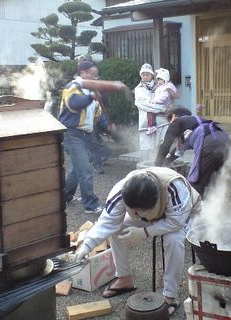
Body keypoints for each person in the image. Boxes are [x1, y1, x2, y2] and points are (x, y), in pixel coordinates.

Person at [74, 167, 200, 316]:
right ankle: (124, 278)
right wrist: (87, 245)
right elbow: (107, 222)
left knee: (174, 239)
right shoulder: (121, 190)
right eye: (132, 210)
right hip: (156, 216)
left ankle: (170, 297)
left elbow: (177, 222)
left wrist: (143, 232)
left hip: (184, 214)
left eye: (139, 211)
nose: (135, 214)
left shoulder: (175, 187)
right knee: (118, 226)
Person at [58, 59, 113, 214]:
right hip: (72, 134)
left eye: (96, 75)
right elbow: (74, 104)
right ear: (82, 73)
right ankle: (91, 205)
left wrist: (108, 127)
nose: (95, 78)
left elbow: (98, 117)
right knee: (85, 169)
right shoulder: (73, 87)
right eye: (92, 74)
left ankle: (65, 196)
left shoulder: (91, 92)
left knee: (78, 168)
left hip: (85, 135)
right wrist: (91, 98)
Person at [155, 106, 231, 196]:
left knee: (196, 183)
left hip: (210, 144)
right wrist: (165, 163)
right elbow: (177, 151)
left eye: (169, 121)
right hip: (226, 142)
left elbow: (165, 145)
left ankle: (195, 208)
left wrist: (156, 167)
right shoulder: (195, 123)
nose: (169, 124)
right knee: (224, 179)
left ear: (174, 116)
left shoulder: (177, 121)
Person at [134, 63, 169, 153]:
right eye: (143, 74)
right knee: (148, 149)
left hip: (161, 122)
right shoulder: (138, 89)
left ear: (152, 76)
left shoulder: (160, 87)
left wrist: (162, 107)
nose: (145, 76)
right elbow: (143, 104)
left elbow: (166, 100)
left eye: (147, 74)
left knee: (161, 147)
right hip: (146, 124)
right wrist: (161, 109)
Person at [146, 68, 177, 135]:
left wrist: (154, 101)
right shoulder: (162, 86)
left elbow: (163, 98)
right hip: (161, 105)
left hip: (164, 106)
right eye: (158, 79)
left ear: (165, 80)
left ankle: (152, 126)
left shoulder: (166, 88)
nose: (159, 81)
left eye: (161, 80)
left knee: (150, 110)